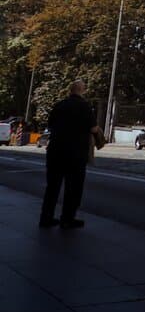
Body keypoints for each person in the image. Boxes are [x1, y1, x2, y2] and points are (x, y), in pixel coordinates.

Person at [39, 80, 100, 229]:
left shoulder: (59, 105)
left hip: (55, 151)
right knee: (73, 188)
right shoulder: (85, 107)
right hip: (76, 153)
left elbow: (50, 124)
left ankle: (46, 218)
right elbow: (93, 128)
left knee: (52, 187)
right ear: (82, 90)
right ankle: (67, 218)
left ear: (70, 91)